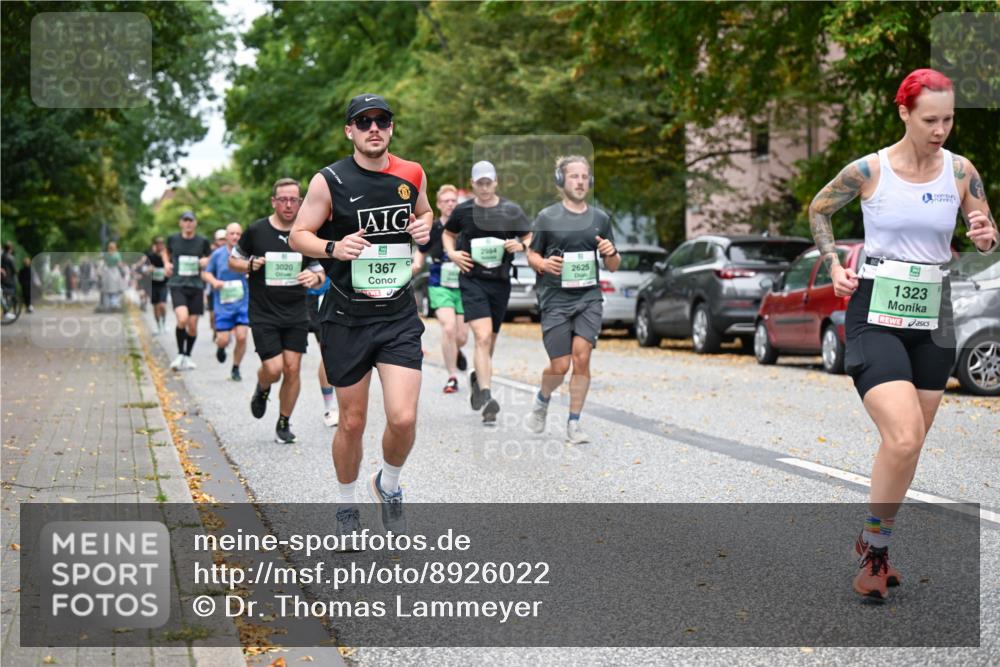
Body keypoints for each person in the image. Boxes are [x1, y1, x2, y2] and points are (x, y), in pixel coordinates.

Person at [807, 68, 997, 601]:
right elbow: (820, 209)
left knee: (907, 446)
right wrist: (832, 261)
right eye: (930, 119)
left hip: (934, 315)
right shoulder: (870, 170)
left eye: (949, 119)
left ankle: (871, 539)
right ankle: (877, 555)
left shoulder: (961, 172)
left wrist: (985, 235)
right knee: (905, 435)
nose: (941, 129)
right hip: (876, 310)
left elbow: (985, 231)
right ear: (904, 114)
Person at [289, 93, 431, 540]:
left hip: (397, 315)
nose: (374, 128)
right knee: (352, 422)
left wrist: (424, 228)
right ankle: (346, 505)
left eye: (382, 120)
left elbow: (423, 216)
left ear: (391, 128)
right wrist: (333, 248)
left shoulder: (412, 173)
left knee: (403, 418)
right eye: (363, 121)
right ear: (349, 130)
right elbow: (298, 235)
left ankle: (387, 484)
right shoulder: (328, 180)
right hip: (347, 317)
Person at [525, 156, 619, 444]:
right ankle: (542, 399)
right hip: (554, 299)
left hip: (589, 298)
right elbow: (531, 254)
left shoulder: (600, 219)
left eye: (584, 176)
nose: (580, 181)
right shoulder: (547, 217)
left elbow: (613, 265)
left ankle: (574, 423)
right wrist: (543, 265)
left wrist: (610, 251)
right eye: (574, 176)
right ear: (561, 180)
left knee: (582, 358)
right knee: (560, 366)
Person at [230, 178, 326, 444]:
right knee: (273, 369)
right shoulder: (256, 230)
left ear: (300, 202)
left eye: (294, 199)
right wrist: (249, 264)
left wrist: (314, 278)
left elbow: (320, 268)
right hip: (264, 312)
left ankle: (284, 421)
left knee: (292, 368)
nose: (288, 204)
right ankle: (262, 388)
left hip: (296, 311)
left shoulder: (306, 233)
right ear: (274, 201)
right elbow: (233, 260)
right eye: (283, 199)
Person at [442, 160, 532, 424]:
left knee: (489, 342)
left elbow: (529, 237)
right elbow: (448, 234)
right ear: (472, 184)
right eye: (479, 182)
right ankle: (487, 396)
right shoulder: (463, 210)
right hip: (472, 280)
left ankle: (477, 378)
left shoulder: (511, 210)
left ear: (496, 183)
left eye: (488, 182)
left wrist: (520, 244)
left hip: (500, 282)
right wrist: (452, 253)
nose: (484, 187)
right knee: (481, 337)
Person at [412, 184, 469, 393]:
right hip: (439, 284)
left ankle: (456, 350)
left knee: (462, 336)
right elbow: (421, 250)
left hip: (463, 285)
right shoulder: (434, 228)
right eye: (446, 201)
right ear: (438, 204)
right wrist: (416, 265)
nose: (450, 204)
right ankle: (452, 376)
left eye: (454, 200)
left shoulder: (465, 227)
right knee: (448, 328)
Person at [163, 210, 212, 370]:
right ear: (181, 223)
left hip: (196, 286)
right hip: (177, 284)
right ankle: (179, 354)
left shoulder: (202, 241)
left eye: (191, 220)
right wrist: (166, 264)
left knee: (192, 326)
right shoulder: (173, 239)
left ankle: (187, 356)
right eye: (185, 220)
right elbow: (165, 251)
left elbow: (211, 256)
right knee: (182, 319)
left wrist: (206, 260)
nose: (188, 223)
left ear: (195, 223)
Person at [204, 223, 250, 382]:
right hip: (223, 304)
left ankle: (236, 368)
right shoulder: (217, 254)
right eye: (232, 233)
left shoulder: (247, 253)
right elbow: (206, 273)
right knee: (223, 338)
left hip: (242, 302)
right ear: (227, 236)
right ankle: (221, 346)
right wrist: (214, 281)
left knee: (242, 337)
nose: (235, 237)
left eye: (238, 234)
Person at [307, 275, 340, 427]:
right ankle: (330, 407)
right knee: (329, 352)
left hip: (342, 294)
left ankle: (343, 405)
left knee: (339, 351)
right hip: (317, 295)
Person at [134, 237, 169, 333]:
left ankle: (164, 323)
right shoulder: (149, 256)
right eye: (158, 244)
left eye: (162, 243)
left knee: (162, 305)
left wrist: (168, 271)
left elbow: (171, 268)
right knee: (156, 307)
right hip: (152, 285)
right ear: (155, 245)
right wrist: (149, 269)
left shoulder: (166, 256)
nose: (160, 245)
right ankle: (158, 326)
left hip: (163, 284)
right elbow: (141, 269)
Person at [207, 228, 227, 340]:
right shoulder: (212, 254)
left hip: (229, 290)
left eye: (224, 239)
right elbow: (205, 272)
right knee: (212, 315)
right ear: (215, 241)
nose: (222, 242)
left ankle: (223, 333)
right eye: (220, 239)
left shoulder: (234, 252)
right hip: (213, 289)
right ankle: (216, 330)